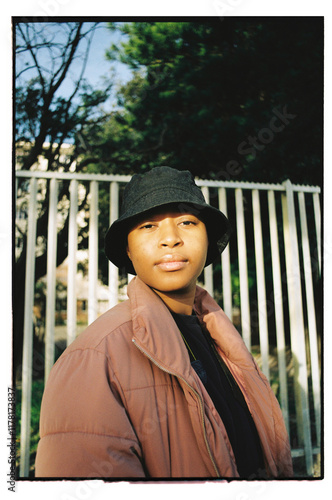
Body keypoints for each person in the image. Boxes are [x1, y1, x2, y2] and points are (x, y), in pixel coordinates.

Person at [35, 166, 293, 479]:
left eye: (186, 222)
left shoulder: (220, 336)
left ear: (208, 240)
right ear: (128, 249)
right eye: (148, 226)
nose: (170, 238)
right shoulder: (93, 358)